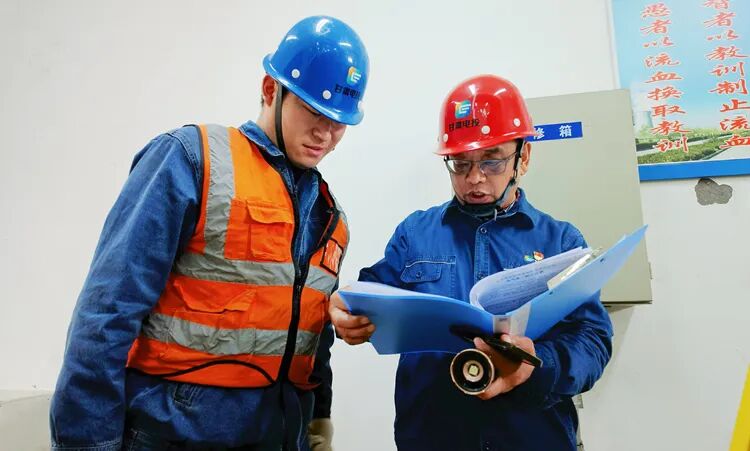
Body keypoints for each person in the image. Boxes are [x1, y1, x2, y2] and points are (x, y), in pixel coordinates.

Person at [50, 15, 369, 451]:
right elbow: (107, 313)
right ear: (270, 90)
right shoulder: (191, 161)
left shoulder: (330, 217)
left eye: (338, 120)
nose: (325, 134)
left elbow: (311, 337)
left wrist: (318, 424)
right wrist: (87, 444)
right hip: (175, 435)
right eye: (314, 110)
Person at [329, 74, 613, 451]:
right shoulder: (416, 233)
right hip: (433, 438)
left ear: (523, 157)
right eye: (460, 164)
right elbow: (370, 296)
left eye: (492, 162)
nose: (475, 178)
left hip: (532, 437)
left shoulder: (560, 242)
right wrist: (347, 312)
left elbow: (593, 340)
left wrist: (538, 364)